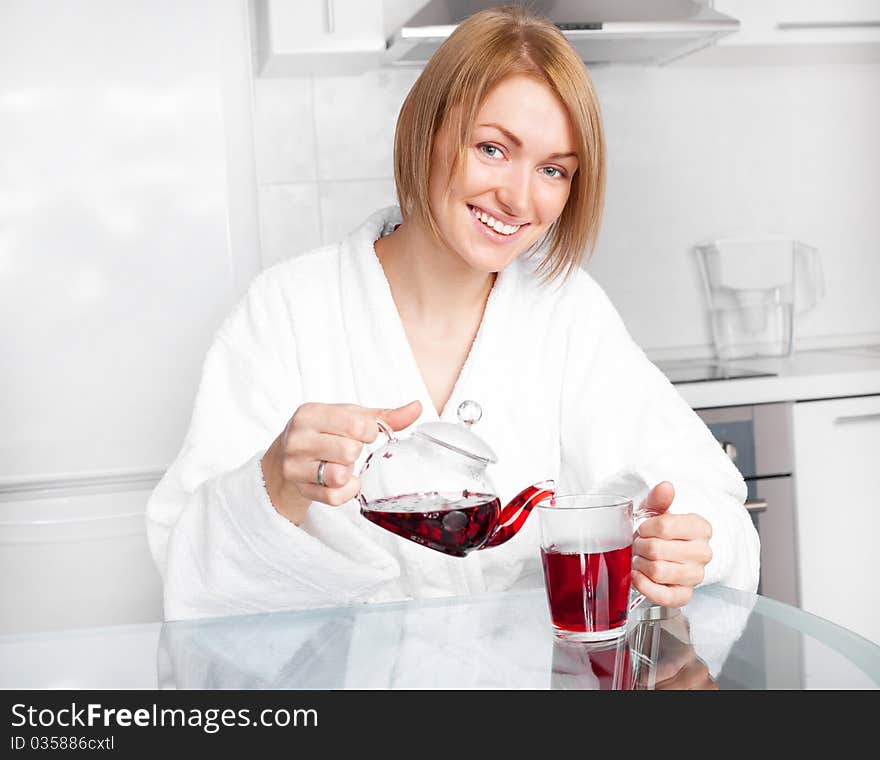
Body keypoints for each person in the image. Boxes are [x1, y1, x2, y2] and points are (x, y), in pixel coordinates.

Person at [146, 5, 760, 621]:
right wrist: (274, 483)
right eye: (492, 148)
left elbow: (713, 506)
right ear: (426, 130)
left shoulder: (567, 312)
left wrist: (692, 546)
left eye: (553, 170)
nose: (519, 198)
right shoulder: (288, 310)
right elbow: (187, 567)